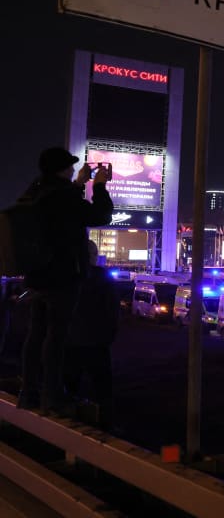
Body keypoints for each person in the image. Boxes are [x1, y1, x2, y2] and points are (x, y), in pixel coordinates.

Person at [18, 147, 113, 414]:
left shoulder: (35, 190)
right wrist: (100, 186)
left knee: (36, 334)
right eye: (70, 167)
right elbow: (100, 216)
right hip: (62, 275)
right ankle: (52, 396)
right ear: (61, 169)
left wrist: (79, 184)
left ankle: (29, 392)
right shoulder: (62, 197)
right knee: (56, 337)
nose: (74, 170)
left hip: (36, 273)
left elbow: (57, 205)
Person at [62, 240, 120, 429]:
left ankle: (67, 423)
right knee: (103, 387)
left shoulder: (69, 277)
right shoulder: (104, 278)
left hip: (71, 342)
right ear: (94, 257)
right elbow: (112, 310)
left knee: (70, 386)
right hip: (97, 343)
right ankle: (106, 423)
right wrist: (108, 335)